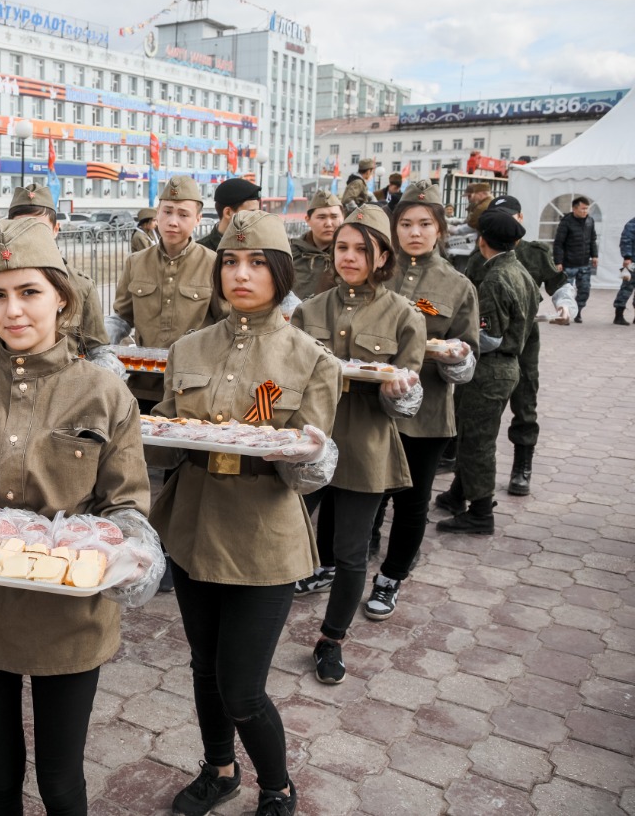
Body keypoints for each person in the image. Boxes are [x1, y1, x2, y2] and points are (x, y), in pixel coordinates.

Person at [0, 217, 164, 816]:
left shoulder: (104, 394)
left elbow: (126, 504)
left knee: (60, 778)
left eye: (29, 292)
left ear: (62, 298)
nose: (13, 310)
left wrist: (133, 556)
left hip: (68, 615)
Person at [147, 210, 340, 816]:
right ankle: (219, 770)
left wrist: (310, 455)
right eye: (230, 261)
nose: (240, 273)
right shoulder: (187, 348)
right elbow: (169, 442)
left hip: (264, 534)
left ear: (281, 272)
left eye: (257, 262)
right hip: (194, 525)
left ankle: (278, 787)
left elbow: (307, 474)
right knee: (205, 668)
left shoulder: (313, 360)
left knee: (243, 687)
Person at [289, 204, 425, 683]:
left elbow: (407, 403)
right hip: (310, 442)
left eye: (360, 249)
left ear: (382, 255)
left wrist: (398, 395)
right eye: (342, 247)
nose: (348, 257)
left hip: (365, 449)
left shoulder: (405, 316)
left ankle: (332, 640)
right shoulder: (308, 310)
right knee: (284, 537)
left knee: (349, 555)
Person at [363, 180, 478, 620]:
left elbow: (468, 357)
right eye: (405, 223)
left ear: (439, 229)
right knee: (367, 491)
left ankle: (391, 578)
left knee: (412, 501)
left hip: (426, 413)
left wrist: (455, 356)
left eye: (424, 224)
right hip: (370, 406)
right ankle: (348, 560)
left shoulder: (457, 284)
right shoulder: (376, 273)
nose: (414, 232)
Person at [437, 211, 543, 534]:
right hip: (509, 366)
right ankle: (459, 493)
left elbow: (489, 337)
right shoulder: (519, 270)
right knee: (475, 433)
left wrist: (450, 339)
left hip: (490, 368)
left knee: (476, 440)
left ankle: (481, 511)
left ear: (482, 240)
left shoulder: (495, 279)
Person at [464, 195, 577, 496]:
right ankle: (463, 482)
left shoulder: (533, 252)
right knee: (476, 415)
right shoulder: (479, 258)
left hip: (525, 342)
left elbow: (560, 282)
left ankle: (522, 469)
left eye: (509, 217)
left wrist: (566, 307)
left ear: (520, 218)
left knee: (525, 404)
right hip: (488, 346)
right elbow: (462, 298)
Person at [109, 175, 225, 407]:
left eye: (183, 214)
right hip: (144, 384)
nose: (173, 221)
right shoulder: (136, 262)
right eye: (167, 212)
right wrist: (104, 338)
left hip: (194, 387)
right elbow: (122, 317)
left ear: (198, 219)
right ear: (157, 215)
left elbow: (225, 322)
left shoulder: (214, 264)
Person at [6, 183, 124, 377]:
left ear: (55, 229)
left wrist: (85, 384)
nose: (31, 238)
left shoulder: (80, 285)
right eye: (21, 229)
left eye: (39, 229)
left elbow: (100, 350)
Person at [553, 195, 599, 322]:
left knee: (585, 289)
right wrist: (558, 261)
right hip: (569, 264)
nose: (585, 211)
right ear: (574, 209)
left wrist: (595, 255)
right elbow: (558, 243)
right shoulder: (566, 222)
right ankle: (566, 314)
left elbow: (592, 240)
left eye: (587, 209)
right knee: (566, 291)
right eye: (583, 209)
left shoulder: (590, 221)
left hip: (584, 263)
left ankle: (578, 311)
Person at [290, 189, 342, 300]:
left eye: (334, 217)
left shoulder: (350, 255)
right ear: (307, 220)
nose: (328, 224)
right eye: (321, 217)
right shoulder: (291, 254)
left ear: (343, 218)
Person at [196, 177, 261, 250]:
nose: (256, 218)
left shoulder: (260, 247)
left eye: (257, 213)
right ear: (228, 213)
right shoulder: (199, 253)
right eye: (251, 213)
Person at [616, 215, 635, 324]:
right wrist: (627, 257)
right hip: (632, 262)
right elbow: (625, 240)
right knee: (626, 288)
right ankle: (618, 315)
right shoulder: (632, 224)